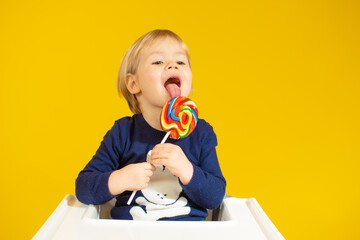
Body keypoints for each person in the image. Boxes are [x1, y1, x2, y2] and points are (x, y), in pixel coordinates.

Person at [75, 29, 226, 221]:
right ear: (133, 83)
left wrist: (187, 170)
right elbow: (83, 189)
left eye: (180, 62)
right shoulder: (122, 133)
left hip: (186, 233)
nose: (173, 66)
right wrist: (121, 179)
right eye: (158, 62)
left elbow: (215, 197)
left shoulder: (200, 133)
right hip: (130, 233)